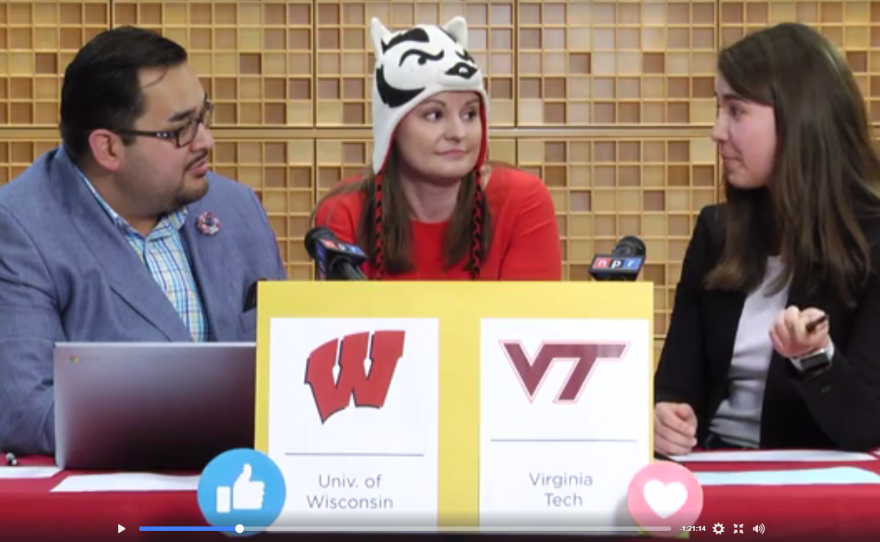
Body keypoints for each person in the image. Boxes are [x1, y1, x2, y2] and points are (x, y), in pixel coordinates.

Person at [0, 27, 287, 455]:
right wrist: (205, 427)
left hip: (249, 488)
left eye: (203, 116)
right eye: (179, 130)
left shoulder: (236, 207)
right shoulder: (21, 228)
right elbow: (26, 410)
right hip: (109, 510)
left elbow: (285, 369)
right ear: (109, 149)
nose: (206, 141)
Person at [654, 22, 880, 454]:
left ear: (800, 119)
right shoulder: (715, 233)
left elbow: (868, 426)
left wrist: (815, 358)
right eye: (718, 109)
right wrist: (665, 419)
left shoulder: (873, 241)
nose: (717, 131)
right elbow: (676, 386)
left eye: (736, 111)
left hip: (819, 490)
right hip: (712, 475)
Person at [313, 17, 561, 280]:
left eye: (469, 114)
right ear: (392, 128)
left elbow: (527, 318)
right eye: (434, 115)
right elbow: (345, 318)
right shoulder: (344, 212)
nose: (458, 133)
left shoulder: (522, 202)